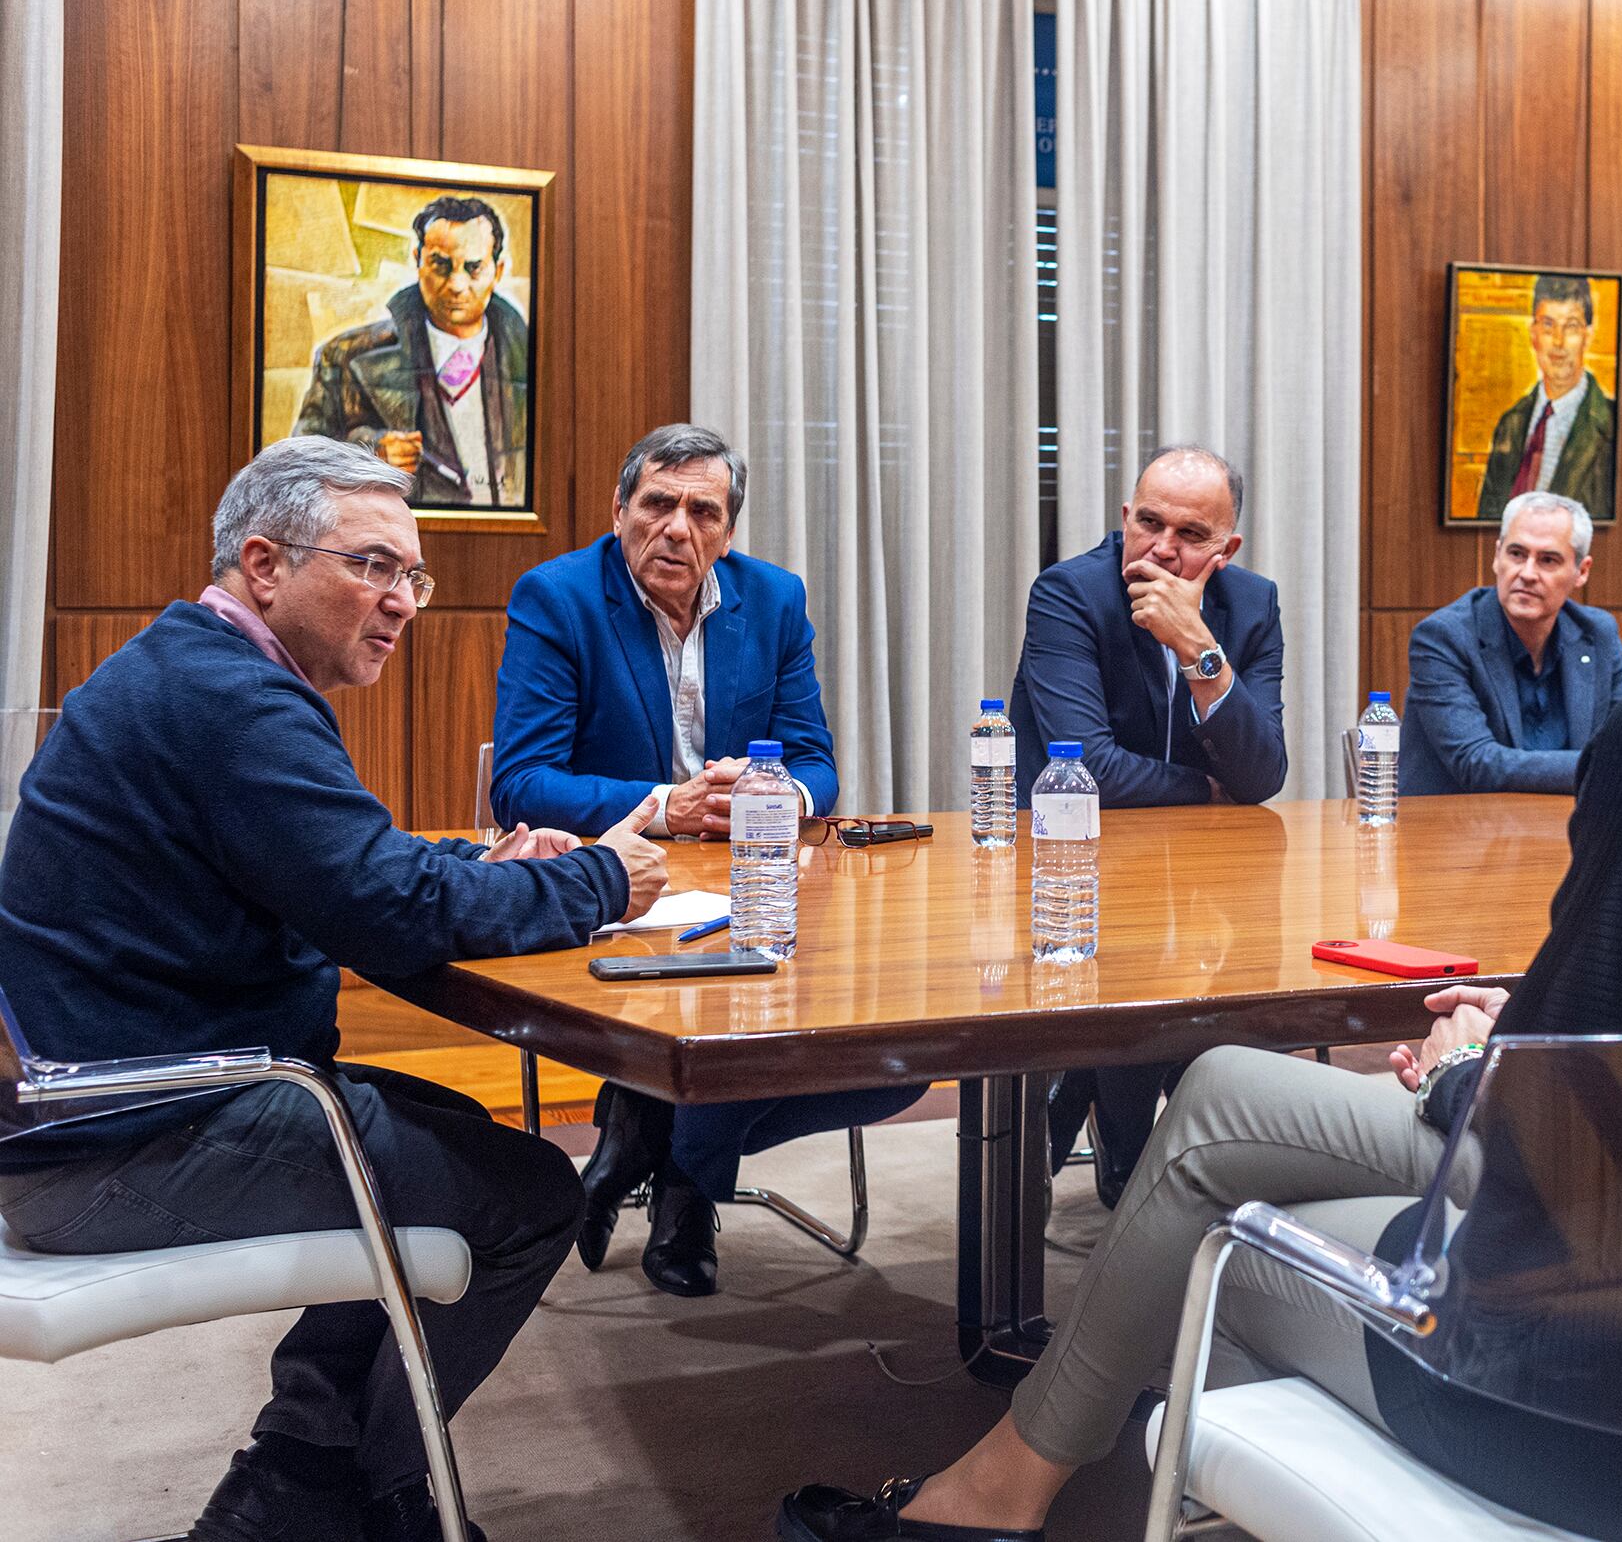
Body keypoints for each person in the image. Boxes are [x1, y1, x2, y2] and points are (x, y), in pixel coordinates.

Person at [777, 314, 1622, 1542]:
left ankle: (997, 1496)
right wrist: (1517, 1052)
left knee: (1199, 1219)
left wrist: (1473, 1059)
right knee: (1238, 1104)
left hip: (1597, 1403)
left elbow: (1543, 1144)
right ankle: (1009, 1488)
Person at [0, 437, 666, 1542]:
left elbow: (345, 862)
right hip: (116, 1146)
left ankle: (303, 1464)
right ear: (263, 564)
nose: (403, 601)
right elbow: (385, 913)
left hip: (108, 1109)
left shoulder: (199, 669)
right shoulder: (235, 704)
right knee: (529, 1196)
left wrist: (482, 867)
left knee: (450, 1134)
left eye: (413, 575)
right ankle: (361, 1493)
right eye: (373, 568)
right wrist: (603, 876)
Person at [492, 423, 925, 1298]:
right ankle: (689, 1187)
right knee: (729, 1022)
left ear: (728, 530)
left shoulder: (773, 600)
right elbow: (521, 782)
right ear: (619, 511)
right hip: (621, 886)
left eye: (702, 511)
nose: (677, 528)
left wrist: (774, 795)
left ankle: (644, 1130)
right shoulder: (558, 597)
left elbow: (815, 765)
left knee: (895, 1071)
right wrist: (664, 804)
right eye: (657, 504)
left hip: (751, 884)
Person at [1008, 444, 1287, 1207]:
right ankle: (1120, 1146)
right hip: (1069, 869)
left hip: (1199, 886)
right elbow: (1085, 766)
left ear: (1226, 551)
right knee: (1146, 985)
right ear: (1124, 517)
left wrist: (1198, 649)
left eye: (1191, 536)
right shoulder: (1070, 593)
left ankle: (1111, 1118)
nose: (1162, 548)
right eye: (1150, 523)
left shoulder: (1251, 606)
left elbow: (1263, 775)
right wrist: (1207, 787)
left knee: (1247, 995)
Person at [294, 196, 529, 508]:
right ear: (418, 260)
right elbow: (295, 466)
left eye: (474, 268)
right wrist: (368, 454)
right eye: (441, 265)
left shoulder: (536, 360)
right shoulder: (345, 357)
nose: (457, 284)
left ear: (497, 271)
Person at [1400, 489, 1622, 795]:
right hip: (1454, 831)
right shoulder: (1443, 638)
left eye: (1548, 560)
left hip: (1564, 829)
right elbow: (1477, 763)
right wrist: (1602, 766)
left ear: (1581, 571)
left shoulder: (1596, 634)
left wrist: (1616, 764)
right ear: (1497, 556)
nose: (1527, 573)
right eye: (1516, 554)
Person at [1473, 273, 1617, 523]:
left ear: (1588, 335)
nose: (1558, 342)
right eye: (1548, 325)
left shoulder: (1612, 425)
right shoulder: (1511, 423)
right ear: (1533, 333)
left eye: (1571, 326)